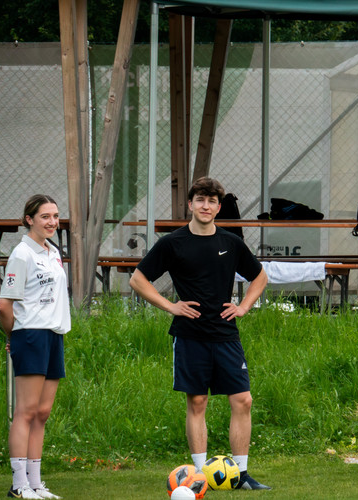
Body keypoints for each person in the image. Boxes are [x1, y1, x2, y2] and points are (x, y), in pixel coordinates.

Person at [129, 177, 271, 490]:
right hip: (190, 334)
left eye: (212, 201)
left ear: (218, 208)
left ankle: (242, 475)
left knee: (243, 400)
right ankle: (197, 476)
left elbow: (260, 277)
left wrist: (244, 307)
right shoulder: (173, 243)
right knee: (197, 402)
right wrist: (171, 306)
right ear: (191, 204)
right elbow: (138, 279)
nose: (206, 206)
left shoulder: (230, 242)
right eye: (201, 200)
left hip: (225, 333)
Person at [0, 194, 71, 500]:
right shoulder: (22, 254)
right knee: (26, 412)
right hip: (30, 336)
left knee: (42, 412)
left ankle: (36, 483)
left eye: (55, 216)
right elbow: (4, 305)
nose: (52, 222)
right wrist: (13, 335)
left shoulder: (52, 251)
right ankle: (19, 485)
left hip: (54, 335)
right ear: (29, 219)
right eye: (45, 217)